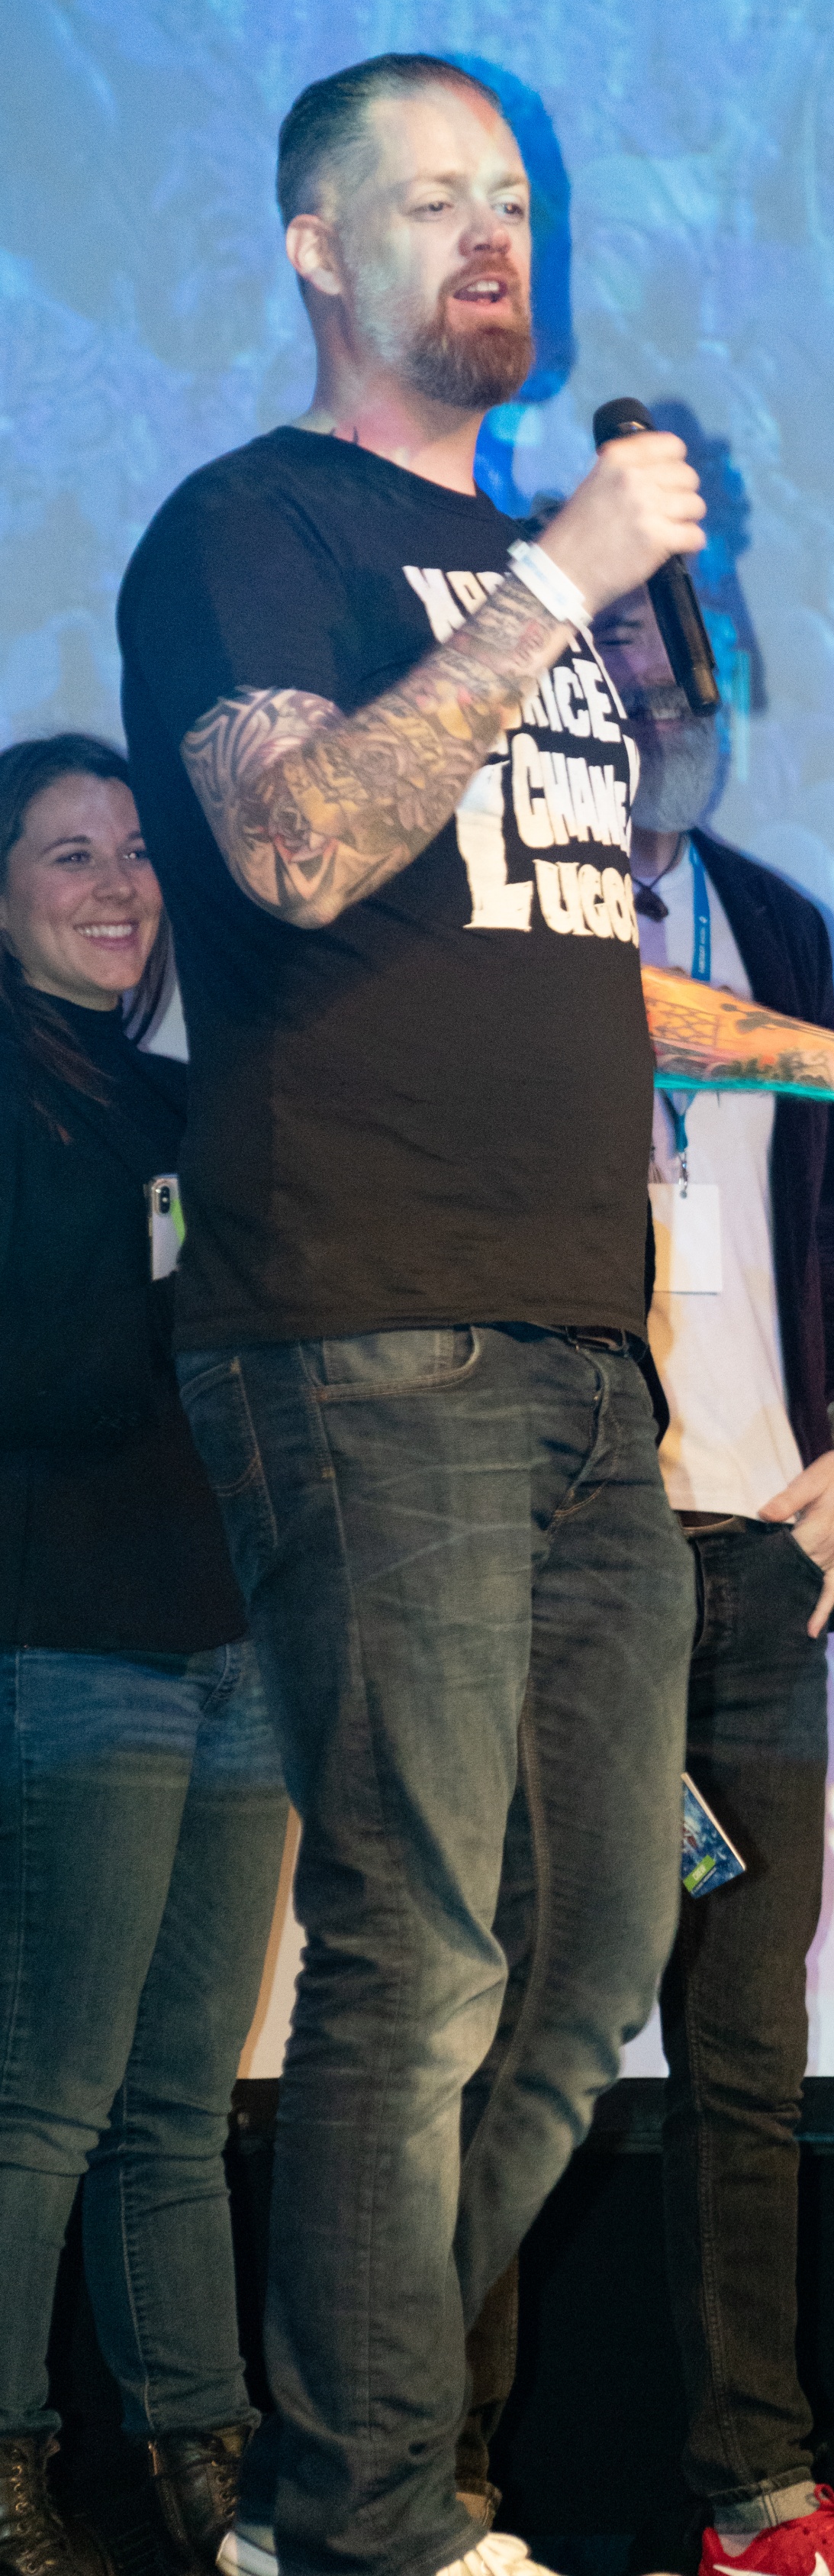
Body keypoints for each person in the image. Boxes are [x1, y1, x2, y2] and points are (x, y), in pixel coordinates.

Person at [113, 52, 834, 2576]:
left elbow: (564, 966)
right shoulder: (253, 530)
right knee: (417, 1949)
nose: (487, 238)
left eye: (514, 202)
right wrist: (557, 579)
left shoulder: (524, 599)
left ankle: (332, 2475)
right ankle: (369, 2514)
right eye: (430, 200)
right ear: (315, 248)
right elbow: (299, 843)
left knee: (590, 1960)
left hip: (573, 1357)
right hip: (367, 1326)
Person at [459, 588, 834, 2576]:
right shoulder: (486, 922)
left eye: (675, 664)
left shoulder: (776, 925)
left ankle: (759, 2497)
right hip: (560, 1559)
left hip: (756, 1566)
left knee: (747, 2068)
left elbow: (814, 1237)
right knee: (500, 2039)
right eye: (611, 671)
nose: (652, 699)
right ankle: (431, 2492)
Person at [0, 735, 287, 2576]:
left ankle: (206, 2478)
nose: (118, 884)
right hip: (74, 1639)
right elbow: (56, 1367)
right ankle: (9, 2470)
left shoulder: (189, 1098)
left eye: (134, 850)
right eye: (67, 854)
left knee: (181, 2100)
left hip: (235, 1643)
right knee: (45, 2098)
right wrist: (180, 1276)